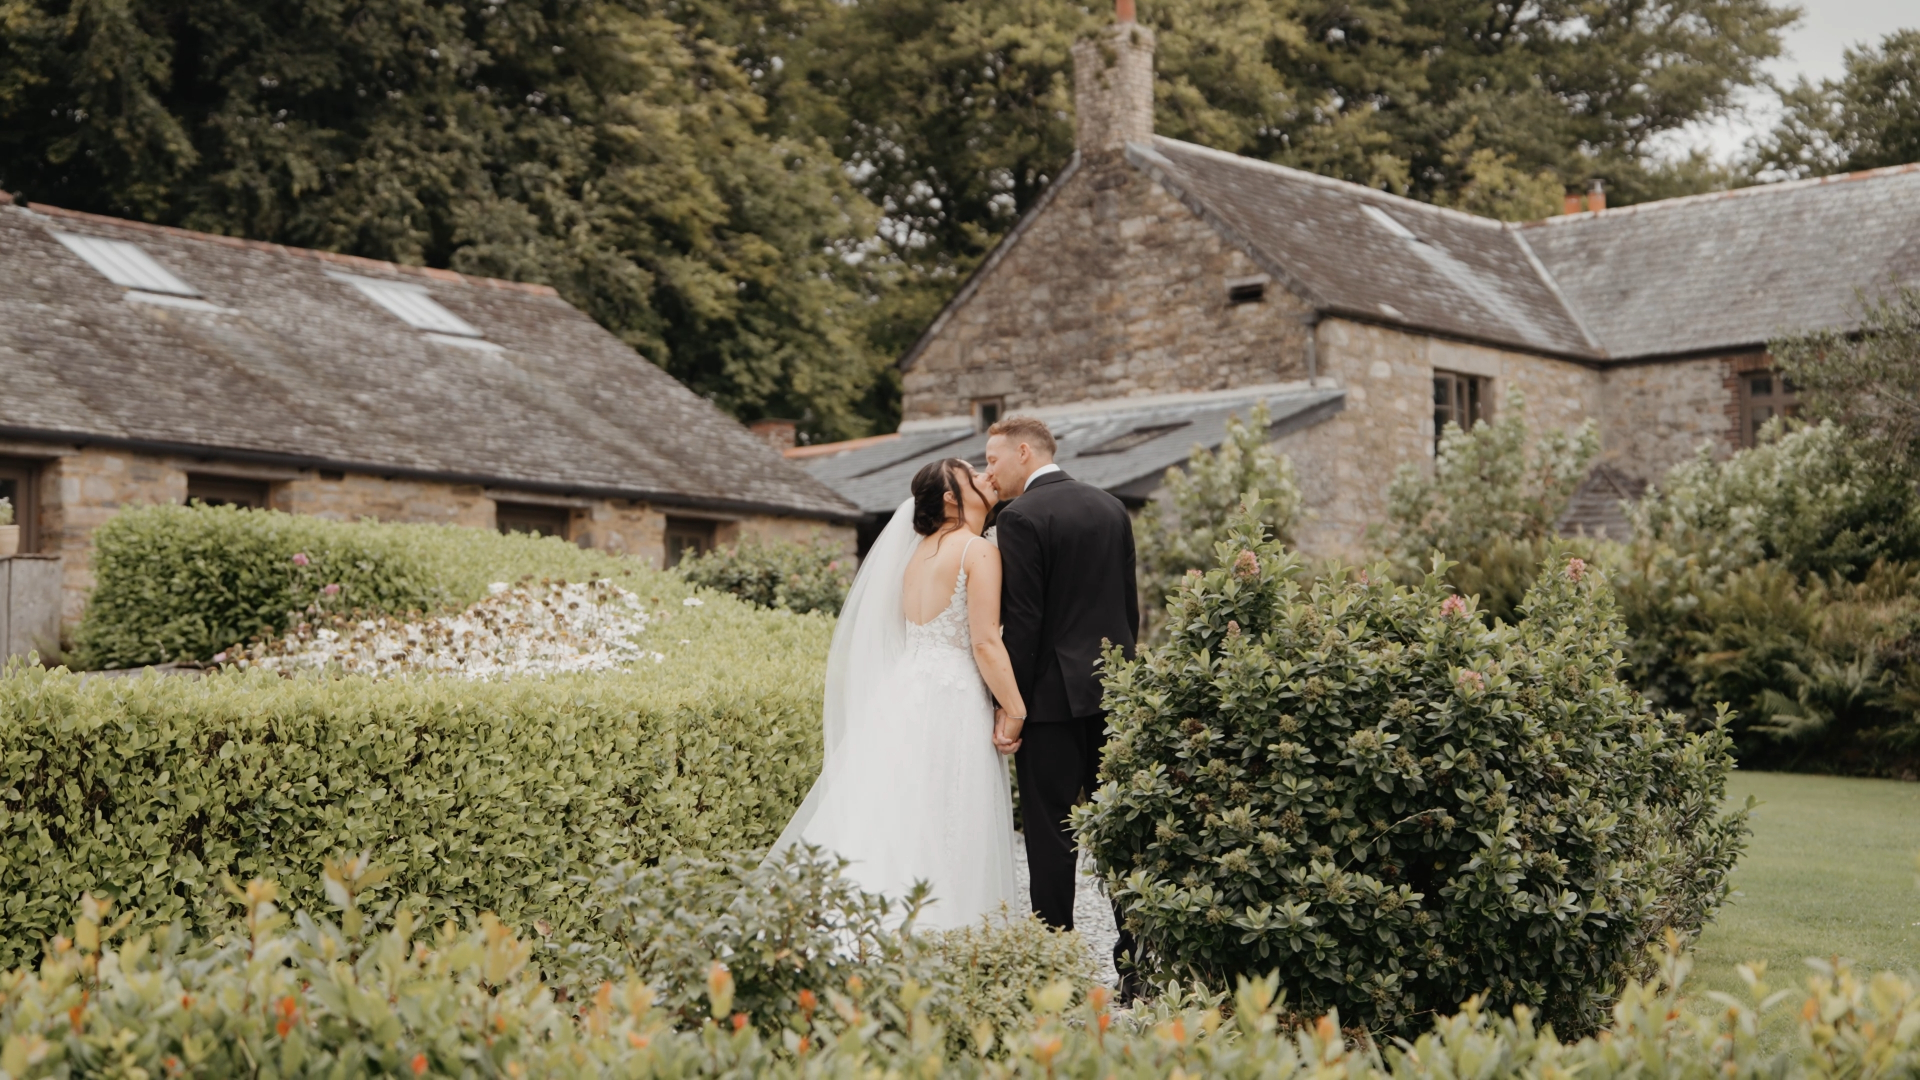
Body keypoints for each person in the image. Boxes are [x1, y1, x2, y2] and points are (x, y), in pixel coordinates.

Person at [771, 458, 1025, 931]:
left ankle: (866, 928)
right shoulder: (977, 551)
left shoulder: (915, 556)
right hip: (954, 698)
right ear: (952, 497)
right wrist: (1014, 709)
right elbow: (986, 642)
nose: (985, 477)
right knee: (951, 815)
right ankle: (946, 931)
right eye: (973, 475)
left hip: (906, 693)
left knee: (899, 812)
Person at [982, 415, 1141, 989]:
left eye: (993, 459)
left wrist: (1010, 703)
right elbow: (1129, 610)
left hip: (1048, 703)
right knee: (1121, 828)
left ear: (1024, 452)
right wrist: (1123, 683)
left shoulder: (1020, 517)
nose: (988, 472)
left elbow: (1023, 622)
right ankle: (1136, 968)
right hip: (1114, 698)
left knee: (1051, 833)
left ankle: (1057, 968)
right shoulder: (1110, 507)